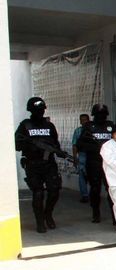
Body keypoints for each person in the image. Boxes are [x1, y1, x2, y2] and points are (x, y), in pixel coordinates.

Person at [14, 97, 65, 232]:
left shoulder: (49, 126)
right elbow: (17, 145)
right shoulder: (25, 125)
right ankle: (40, 221)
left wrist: (58, 151)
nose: (40, 112)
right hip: (32, 164)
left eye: (42, 110)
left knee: (54, 191)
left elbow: (55, 144)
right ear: (31, 111)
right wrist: (31, 146)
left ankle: (48, 214)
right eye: (37, 110)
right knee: (38, 193)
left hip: (49, 163)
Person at [76, 104, 114, 223]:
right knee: (95, 189)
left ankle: (115, 215)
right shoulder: (88, 126)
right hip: (94, 162)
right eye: (99, 115)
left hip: (109, 162)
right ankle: (96, 213)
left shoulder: (110, 126)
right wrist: (95, 148)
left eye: (103, 114)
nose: (101, 117)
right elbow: (80, 144)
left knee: (112, 189)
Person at [72, 113, 90, 202]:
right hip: (82, 154)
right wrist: (75, 157)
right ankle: (85, 195)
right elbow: (74, 145)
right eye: (82, 120)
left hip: (92, 155)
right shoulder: (78, 131)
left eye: (85, 120)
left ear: (88, 120)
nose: (83, 122)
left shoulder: (93, 129)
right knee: (82, 175)